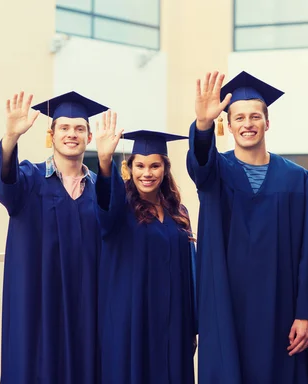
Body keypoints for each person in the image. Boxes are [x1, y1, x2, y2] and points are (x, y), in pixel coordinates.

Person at [186, 71, 308, 384]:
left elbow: (307, 251)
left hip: (280, 307)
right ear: (227, 125)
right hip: (225, 305)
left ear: (267, 123)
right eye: (239, 117)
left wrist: (305, 312)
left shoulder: (297, 180)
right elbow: (199, 164)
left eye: (255, 116)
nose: (247, 124)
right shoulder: (216, 172)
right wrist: (203, 125)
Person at [0, 90, 108, 383]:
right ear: (51, 135)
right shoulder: (29, 180)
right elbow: (3, 183)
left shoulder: (101, 191)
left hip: (87, 308)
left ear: (89, 137)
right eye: (64, 128)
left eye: (79, 128)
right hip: (39, 306)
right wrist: (10, 138)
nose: (72, 134)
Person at [94, 116, 197, 384]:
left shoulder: (178, 212)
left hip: (174, 322)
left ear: (165, 169)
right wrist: (105, 162)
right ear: (129, 169)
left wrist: (192, 325)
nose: (147, 173)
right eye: (139, 166)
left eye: (154, 166)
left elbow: (190, 270)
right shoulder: (119, 210)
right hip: (133, 321)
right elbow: (104, 209)